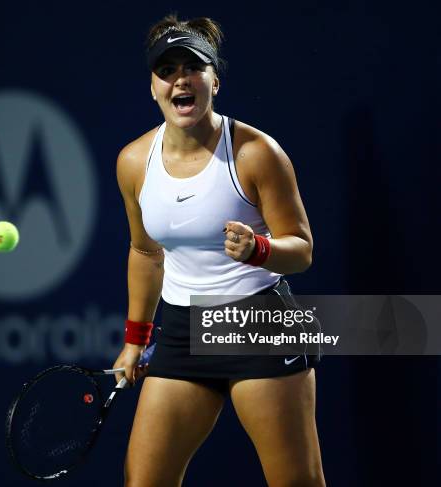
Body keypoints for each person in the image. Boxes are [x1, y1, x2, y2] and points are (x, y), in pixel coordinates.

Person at [112, 14, 326, 487]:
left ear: (214, 81)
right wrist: (135, 340)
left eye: (192, 67)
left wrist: (260, 250)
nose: (180, 79)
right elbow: (146, 253)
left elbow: (302, 250)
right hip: (184, 328)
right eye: (166, 70)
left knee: (296, 481)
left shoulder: (257, 153)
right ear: (153, 87)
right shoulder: (133, 162)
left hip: (259, 322)